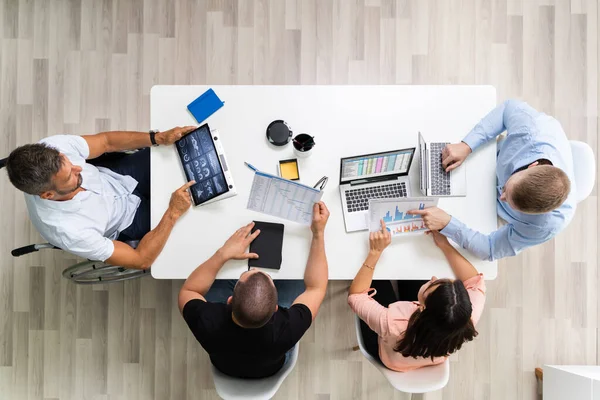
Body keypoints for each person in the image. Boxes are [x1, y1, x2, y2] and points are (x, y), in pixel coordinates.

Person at [5, 127, 197, 269]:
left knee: (181, 153)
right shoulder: (70, 231)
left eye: (70, 162)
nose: (79, 168)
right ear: (48, 195)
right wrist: (172, 213)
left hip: (118, 176)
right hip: (128, 220)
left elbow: (106, 141)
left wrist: (157, 138)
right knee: (196, 217)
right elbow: (141, 260)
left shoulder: (52, 147)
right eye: (69, 176)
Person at [178, 202, 330, 379]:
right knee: (297, 281)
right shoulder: (288, 330)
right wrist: (318, 233)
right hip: (270, 367)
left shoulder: (207, 322)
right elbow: (316, 288)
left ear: (229, 301)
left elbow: (189, 290)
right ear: (275, 308)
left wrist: (224, 254)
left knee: (219, 278)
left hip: (225, 365)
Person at [409, 99, 575, 261]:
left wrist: (448, 224)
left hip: (488, 213)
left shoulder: (547, 225)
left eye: (509, 202)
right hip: (485, 161)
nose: (501, 196)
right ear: (532, 165)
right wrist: (467, 145)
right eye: (506, 190)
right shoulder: (534, 129)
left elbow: (491, 248)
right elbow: (506, 109)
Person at [348, 220, 486, 372]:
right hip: (426, 345)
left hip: (387, 350)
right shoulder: (466, 316)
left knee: (378, 277)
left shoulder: (392, 323)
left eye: (432, 285)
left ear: (422, 307)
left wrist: (375, 252)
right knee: (413, 271)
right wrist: (444, 244)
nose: (433, 278)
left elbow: (355, 297)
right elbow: (475, 282)